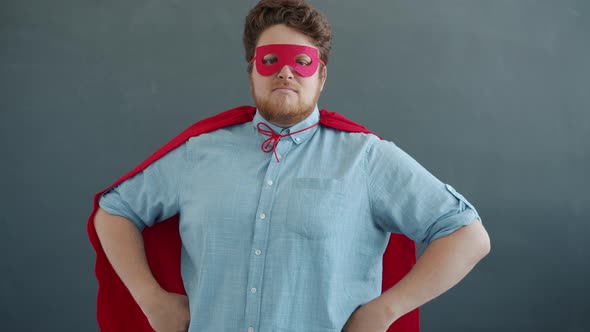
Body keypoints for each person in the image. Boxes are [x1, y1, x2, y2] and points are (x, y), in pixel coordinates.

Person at [90, 0, 490, 331]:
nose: (285, 71)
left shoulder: (365, 158)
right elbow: (115, 211)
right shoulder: (199, 153)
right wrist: (150, 299)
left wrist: (385, 310)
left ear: (322, 76)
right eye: (269, 60)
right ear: (251, 72)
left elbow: (467, 235)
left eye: (302, 61)